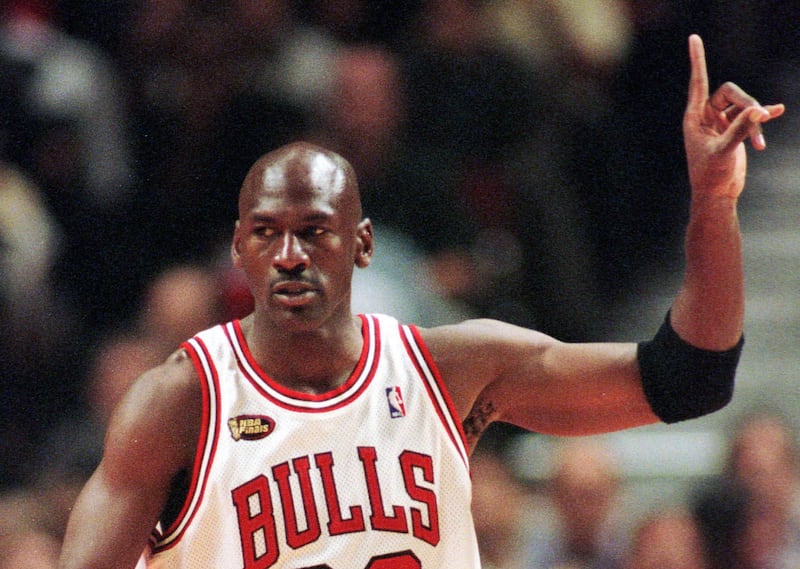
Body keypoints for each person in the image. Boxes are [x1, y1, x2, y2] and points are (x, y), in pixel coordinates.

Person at [58, 35, 784, 569]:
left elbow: (690, 377)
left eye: (314, 232)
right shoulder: (180, 401)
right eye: (267, 233)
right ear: (239, 247)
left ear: (363, 243)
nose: (289, 255)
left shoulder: (449, 370)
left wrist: (713, 204)